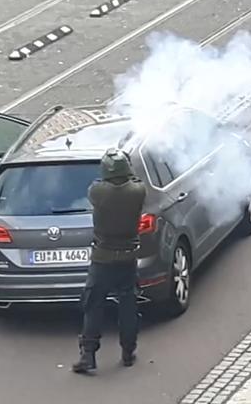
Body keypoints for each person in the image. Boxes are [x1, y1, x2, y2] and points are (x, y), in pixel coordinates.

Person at [72, 148, 146, 374]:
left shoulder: (97, 191)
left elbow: (100, 183)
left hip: (102, 257)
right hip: (128, 257)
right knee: (128, 304)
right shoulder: (138, 191)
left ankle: (88, 354)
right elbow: (135, 179)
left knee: (93, 305)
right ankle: (128, 351)